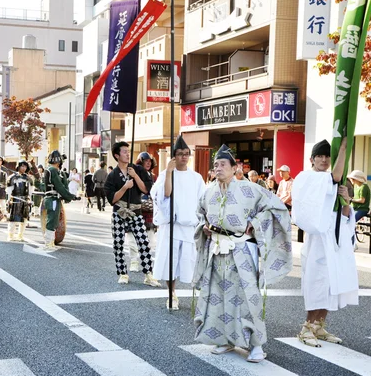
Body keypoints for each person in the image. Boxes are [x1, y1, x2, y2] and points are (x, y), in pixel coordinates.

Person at [192, 144, 292, 363]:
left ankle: (256, 345)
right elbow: (200, 216)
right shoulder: (208, 192)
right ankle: (224, 339)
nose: (218, 168)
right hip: (217, 250)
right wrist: (204, 227)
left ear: (234, 167)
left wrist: (255, 222)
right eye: (215, 165)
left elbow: (276, 208)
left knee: (248, 297)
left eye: (222, 164)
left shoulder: (250, 189)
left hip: (242, 249)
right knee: (218, 296)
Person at [292, 139, 358, 347]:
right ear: (311, 159)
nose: (323, 159)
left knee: (331, 282)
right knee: (316, 281)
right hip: (318, 238)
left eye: (327, 156)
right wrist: (344, 149)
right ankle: (307, 327)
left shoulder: (333, 181)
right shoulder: (306, 177)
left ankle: (319, 325)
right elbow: (335, 177)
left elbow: (345, 215)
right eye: (319, 156)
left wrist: (346, 200)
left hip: (335, 237)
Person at [152, 136, 205, 310]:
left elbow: (202, 201)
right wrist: (168, 172)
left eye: (186, 154)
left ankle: (195, 295)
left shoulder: (196, 177)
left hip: (189, 226)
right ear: (174, 156)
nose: (184, 157)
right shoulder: (165, 175)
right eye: (180, 154)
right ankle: (171, 294)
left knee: (188, 261)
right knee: (170, 261)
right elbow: (165, 195)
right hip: (171, 226)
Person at [104, 142, 160, 287]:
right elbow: (112, 199)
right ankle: (123, 273)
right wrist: (124, 187)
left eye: (128, 151)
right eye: (124, 152)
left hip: (136, 212)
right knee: (118, 243)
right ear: (117, 155)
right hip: (119, 213)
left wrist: (135, 176)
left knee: (143, 243)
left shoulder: (138, 170)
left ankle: (148, 274)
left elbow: (146, 189)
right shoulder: (112, 176)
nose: (128, 154)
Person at [42, 150, 78, 249]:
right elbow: (59, 187)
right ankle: (48, 242)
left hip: (52, 198)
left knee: (54, 220)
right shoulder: (53, 170)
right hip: (52, 198)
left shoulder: (50, 169)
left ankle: (50, 242)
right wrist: (70, 196)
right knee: (52, 220)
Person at [6, 161, 33, 241]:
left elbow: (30, 191)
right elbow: (9, 190)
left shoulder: (28, 178)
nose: (23, 168)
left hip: (25, 200)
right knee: (13, 219)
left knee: (24, 220)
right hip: (15, 199)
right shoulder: (12, 177)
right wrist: (8, 200)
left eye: (25, 166)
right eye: (22, 166)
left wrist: (30, 199)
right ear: (18, 167)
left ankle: (20, 235)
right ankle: (11, 236)